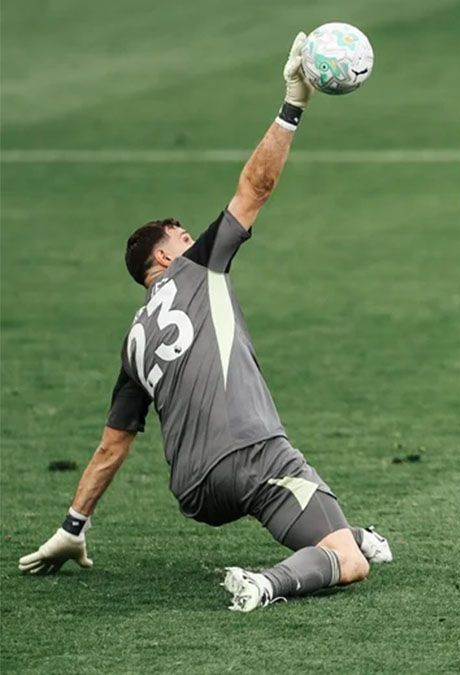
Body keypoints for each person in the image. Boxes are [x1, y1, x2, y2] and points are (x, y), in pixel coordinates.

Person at [17, 33, 394, 612]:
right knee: (347, 560)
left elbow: (112, 447)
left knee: (336, 528)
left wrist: (73, 526)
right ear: (163, 258)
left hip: (197, 490)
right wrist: (293, 105)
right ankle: (268, 583)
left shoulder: (133, 343)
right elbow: (255, 188)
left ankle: (349, 532)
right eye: (184, 237)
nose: (194, 241)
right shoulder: (197, 269)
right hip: (251, 457)